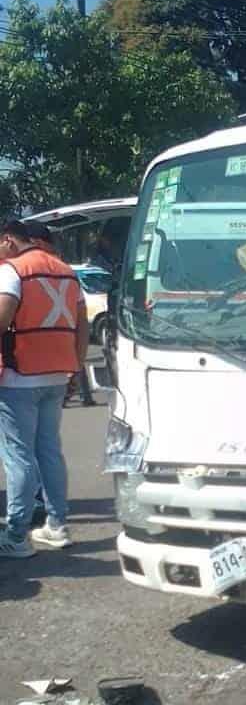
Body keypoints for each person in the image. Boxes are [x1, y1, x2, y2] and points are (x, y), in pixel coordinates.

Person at [0, 220, 89, 558]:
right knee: (49, 451)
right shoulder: (67, 272)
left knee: (18, 456)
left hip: (18, 377)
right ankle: (57, 526)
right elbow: (81, 327)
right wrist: (76, 369)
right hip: (57, 374)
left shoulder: (13, 271)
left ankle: (17, 535)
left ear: (9, 240)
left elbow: (2, 316)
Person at [23, 220, 96, 408]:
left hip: (24, 373)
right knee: (48, 436)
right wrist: (77, 367)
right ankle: (85, 393)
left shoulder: (18, 271)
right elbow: (82, 323)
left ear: (36, 242)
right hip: (59, 368)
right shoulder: (67, 272)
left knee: (19, 436)